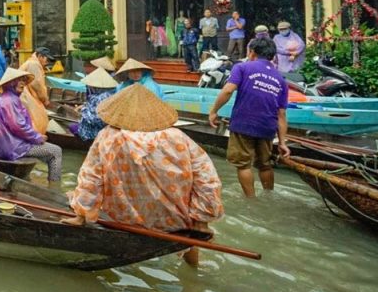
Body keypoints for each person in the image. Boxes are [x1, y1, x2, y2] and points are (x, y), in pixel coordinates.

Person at [62, 84, 224, 266]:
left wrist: (82, 214)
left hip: (125, 216)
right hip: (175, 217)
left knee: (74, 196)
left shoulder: (108, 137)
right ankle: (193, 274)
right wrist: (202, 219)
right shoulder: (177, 137)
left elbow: (91, 179)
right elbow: (207, 179)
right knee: (189, 238)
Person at [208, 37, 290, 197]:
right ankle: (269, 196)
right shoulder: (281, 80)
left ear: (252, 52)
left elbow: (227, 90)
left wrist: (213, 111)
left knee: (243, 165)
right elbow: (282, 115)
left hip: (243, 124)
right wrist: (282, 143)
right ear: (272, 57)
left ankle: (251, 201)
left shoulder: (242, 67)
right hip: (268, 127)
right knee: (265, 165)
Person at [0, 67, 64, 184]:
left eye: (24, 80)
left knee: (48, 153)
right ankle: (54, 186)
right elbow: (18, 126)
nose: (23, 83)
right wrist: (37, 137)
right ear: (11, 83)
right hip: (13, 147)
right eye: (19, 80)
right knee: (56, 151)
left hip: (10, 144)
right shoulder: (9, 100)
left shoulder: (10, 98)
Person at [73, 67, 118, 143]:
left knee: (72, 127)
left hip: (96, 132)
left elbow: (96, 119)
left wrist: (84, 111)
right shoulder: (111, 94)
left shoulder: (99, 98)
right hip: (106, 129)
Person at [19, 46, 55, 134]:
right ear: (40, 56)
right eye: (46, 59)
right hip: (25, 95)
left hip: (23, 94)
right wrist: (45, 99)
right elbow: (36, 84)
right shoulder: (34, 64)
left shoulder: (30, 62)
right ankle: (36, 137)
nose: (47, 62)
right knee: (37, 117)